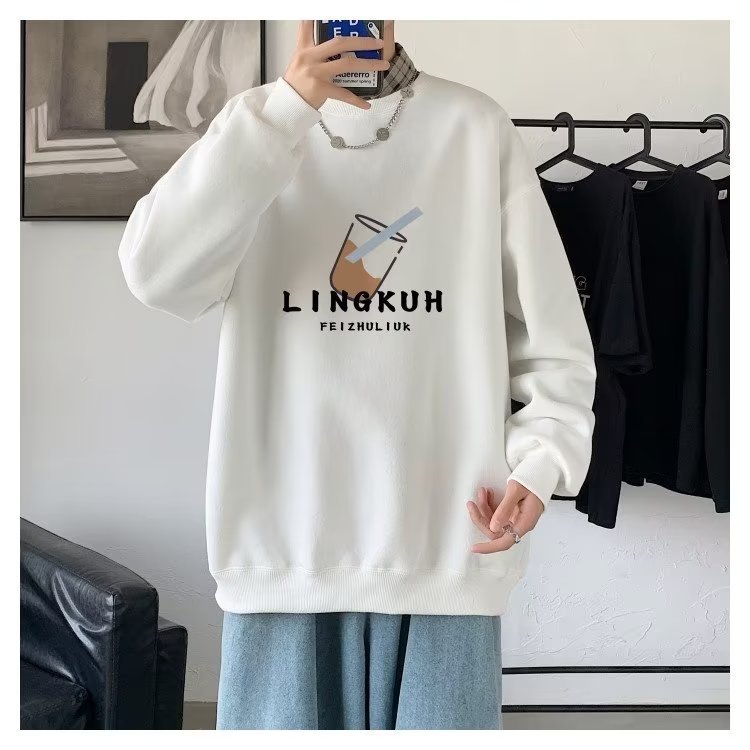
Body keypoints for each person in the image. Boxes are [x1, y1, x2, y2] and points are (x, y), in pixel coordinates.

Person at [118, 21, 596, 730]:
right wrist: (285, 109)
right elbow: (156, 274)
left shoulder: (473, 128)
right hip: (285, 545)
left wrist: (542, 460)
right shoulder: (254, 126)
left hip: (446, 540)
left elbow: (550, 332)